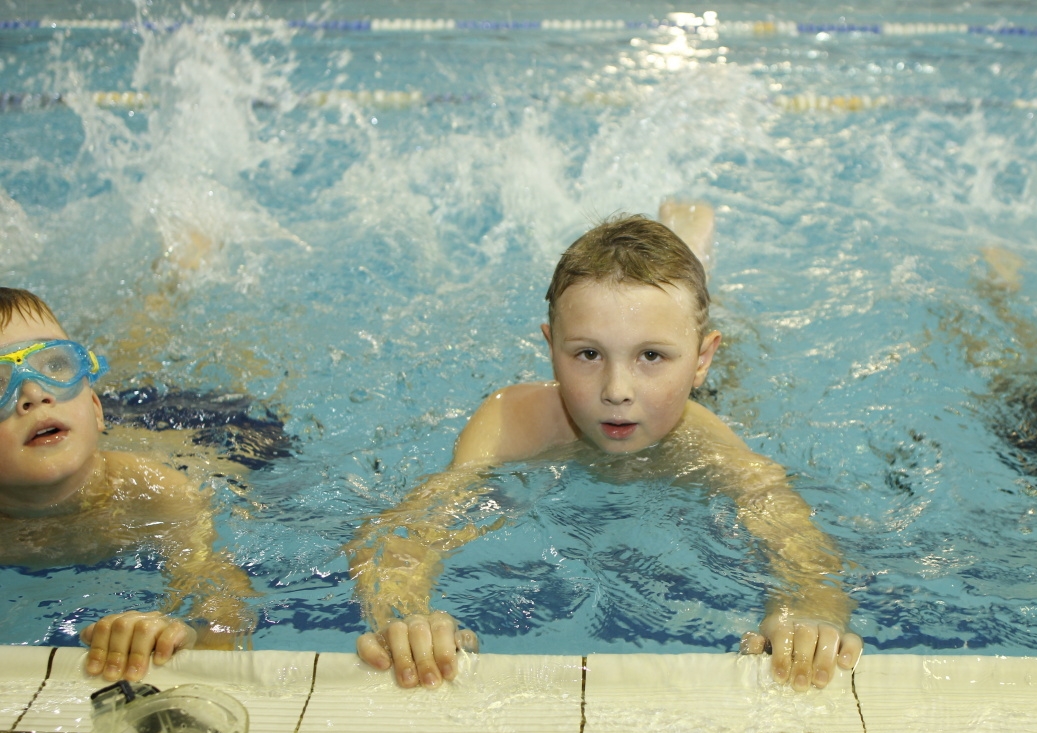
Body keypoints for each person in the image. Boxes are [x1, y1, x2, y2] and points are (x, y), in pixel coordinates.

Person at [347, 202, 863, 691]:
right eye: (588, 353)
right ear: (550, 348)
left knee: (732, 371)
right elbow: (402, 539)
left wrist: (806, 611)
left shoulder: (705, 441)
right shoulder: (512, 422)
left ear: (701, 360)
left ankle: (693, 255)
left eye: (651, 356)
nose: (617, 390)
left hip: (702, 393)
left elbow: (801, 548)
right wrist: (406, 614)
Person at [0, 287, 257, 681]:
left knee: (144, 351)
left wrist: (183, 629)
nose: (34, 393)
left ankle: (170, 282)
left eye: (55, 365)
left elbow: (219, 591)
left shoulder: (156, 493)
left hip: (203, 428)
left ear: (96, 410)